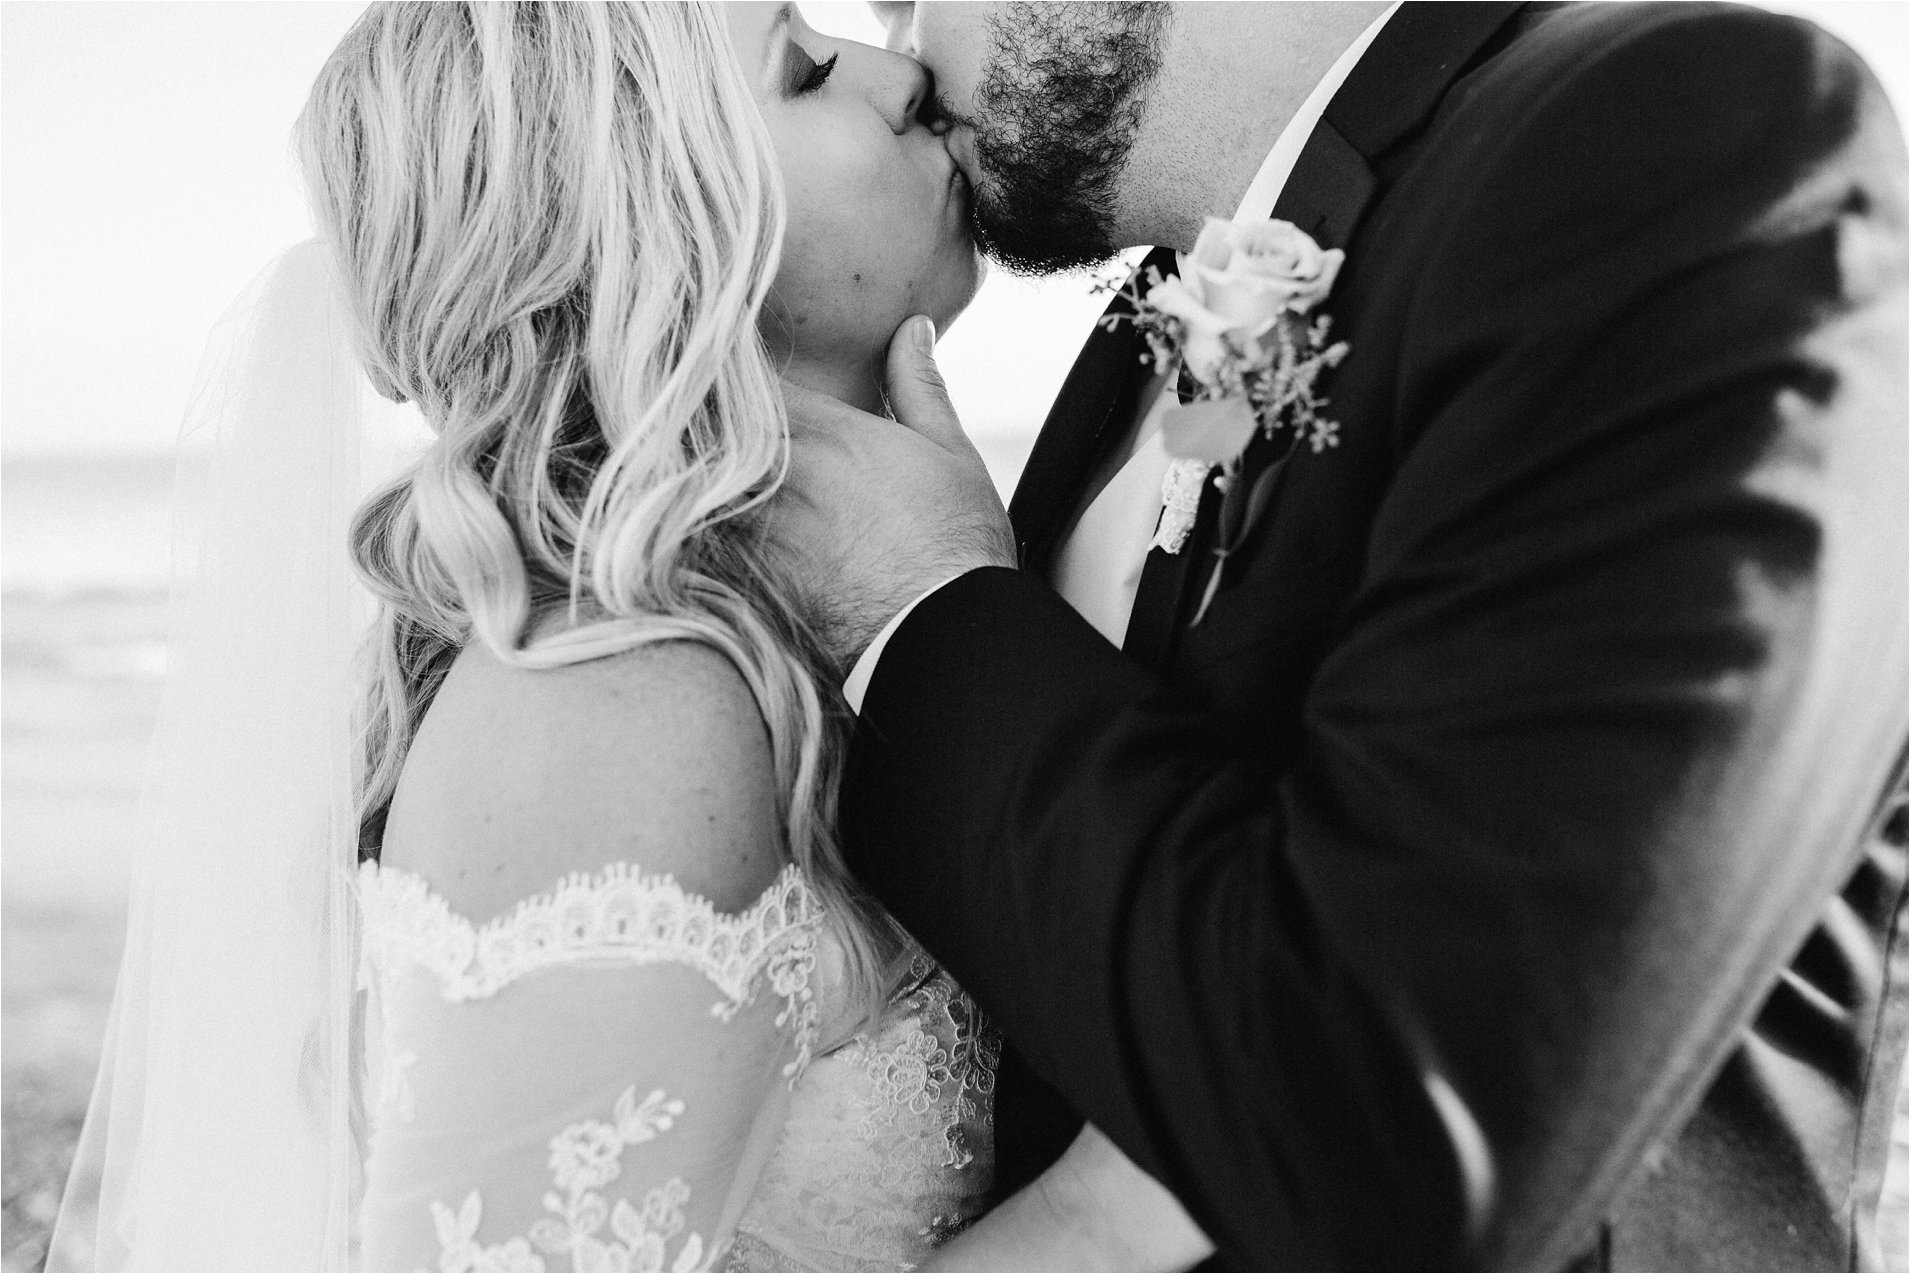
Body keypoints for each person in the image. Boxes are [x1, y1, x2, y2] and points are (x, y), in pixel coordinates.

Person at [773, 1, 1910, 1269]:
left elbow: (1400, 1129)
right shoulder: (1165, 319)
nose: (900, 42)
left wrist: (922, 606)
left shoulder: (1680, 143)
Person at [51, 4, 1018, 1269]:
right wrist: (1114, 1220)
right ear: (661, 228)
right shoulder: (618, 702)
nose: (903, 73)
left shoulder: (767, 650)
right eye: (806, 70)